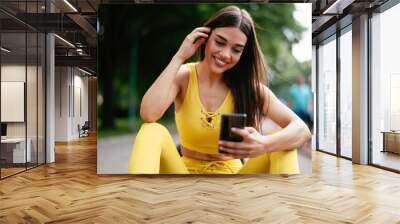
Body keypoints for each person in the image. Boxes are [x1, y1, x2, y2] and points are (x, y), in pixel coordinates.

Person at [128, 6, 311, 174]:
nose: (225, 54)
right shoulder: (184, 76)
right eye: (220, 42)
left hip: (234, 181)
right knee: (151, 131)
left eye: (236, 49)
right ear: (205, 38)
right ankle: (139, 201)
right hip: (183, 174)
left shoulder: (251, 88)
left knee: (283, 145)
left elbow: (302, 130)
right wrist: (179, 57)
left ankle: (285, 207)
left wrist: (264, 144)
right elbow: (148, 114)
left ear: (243, 54)